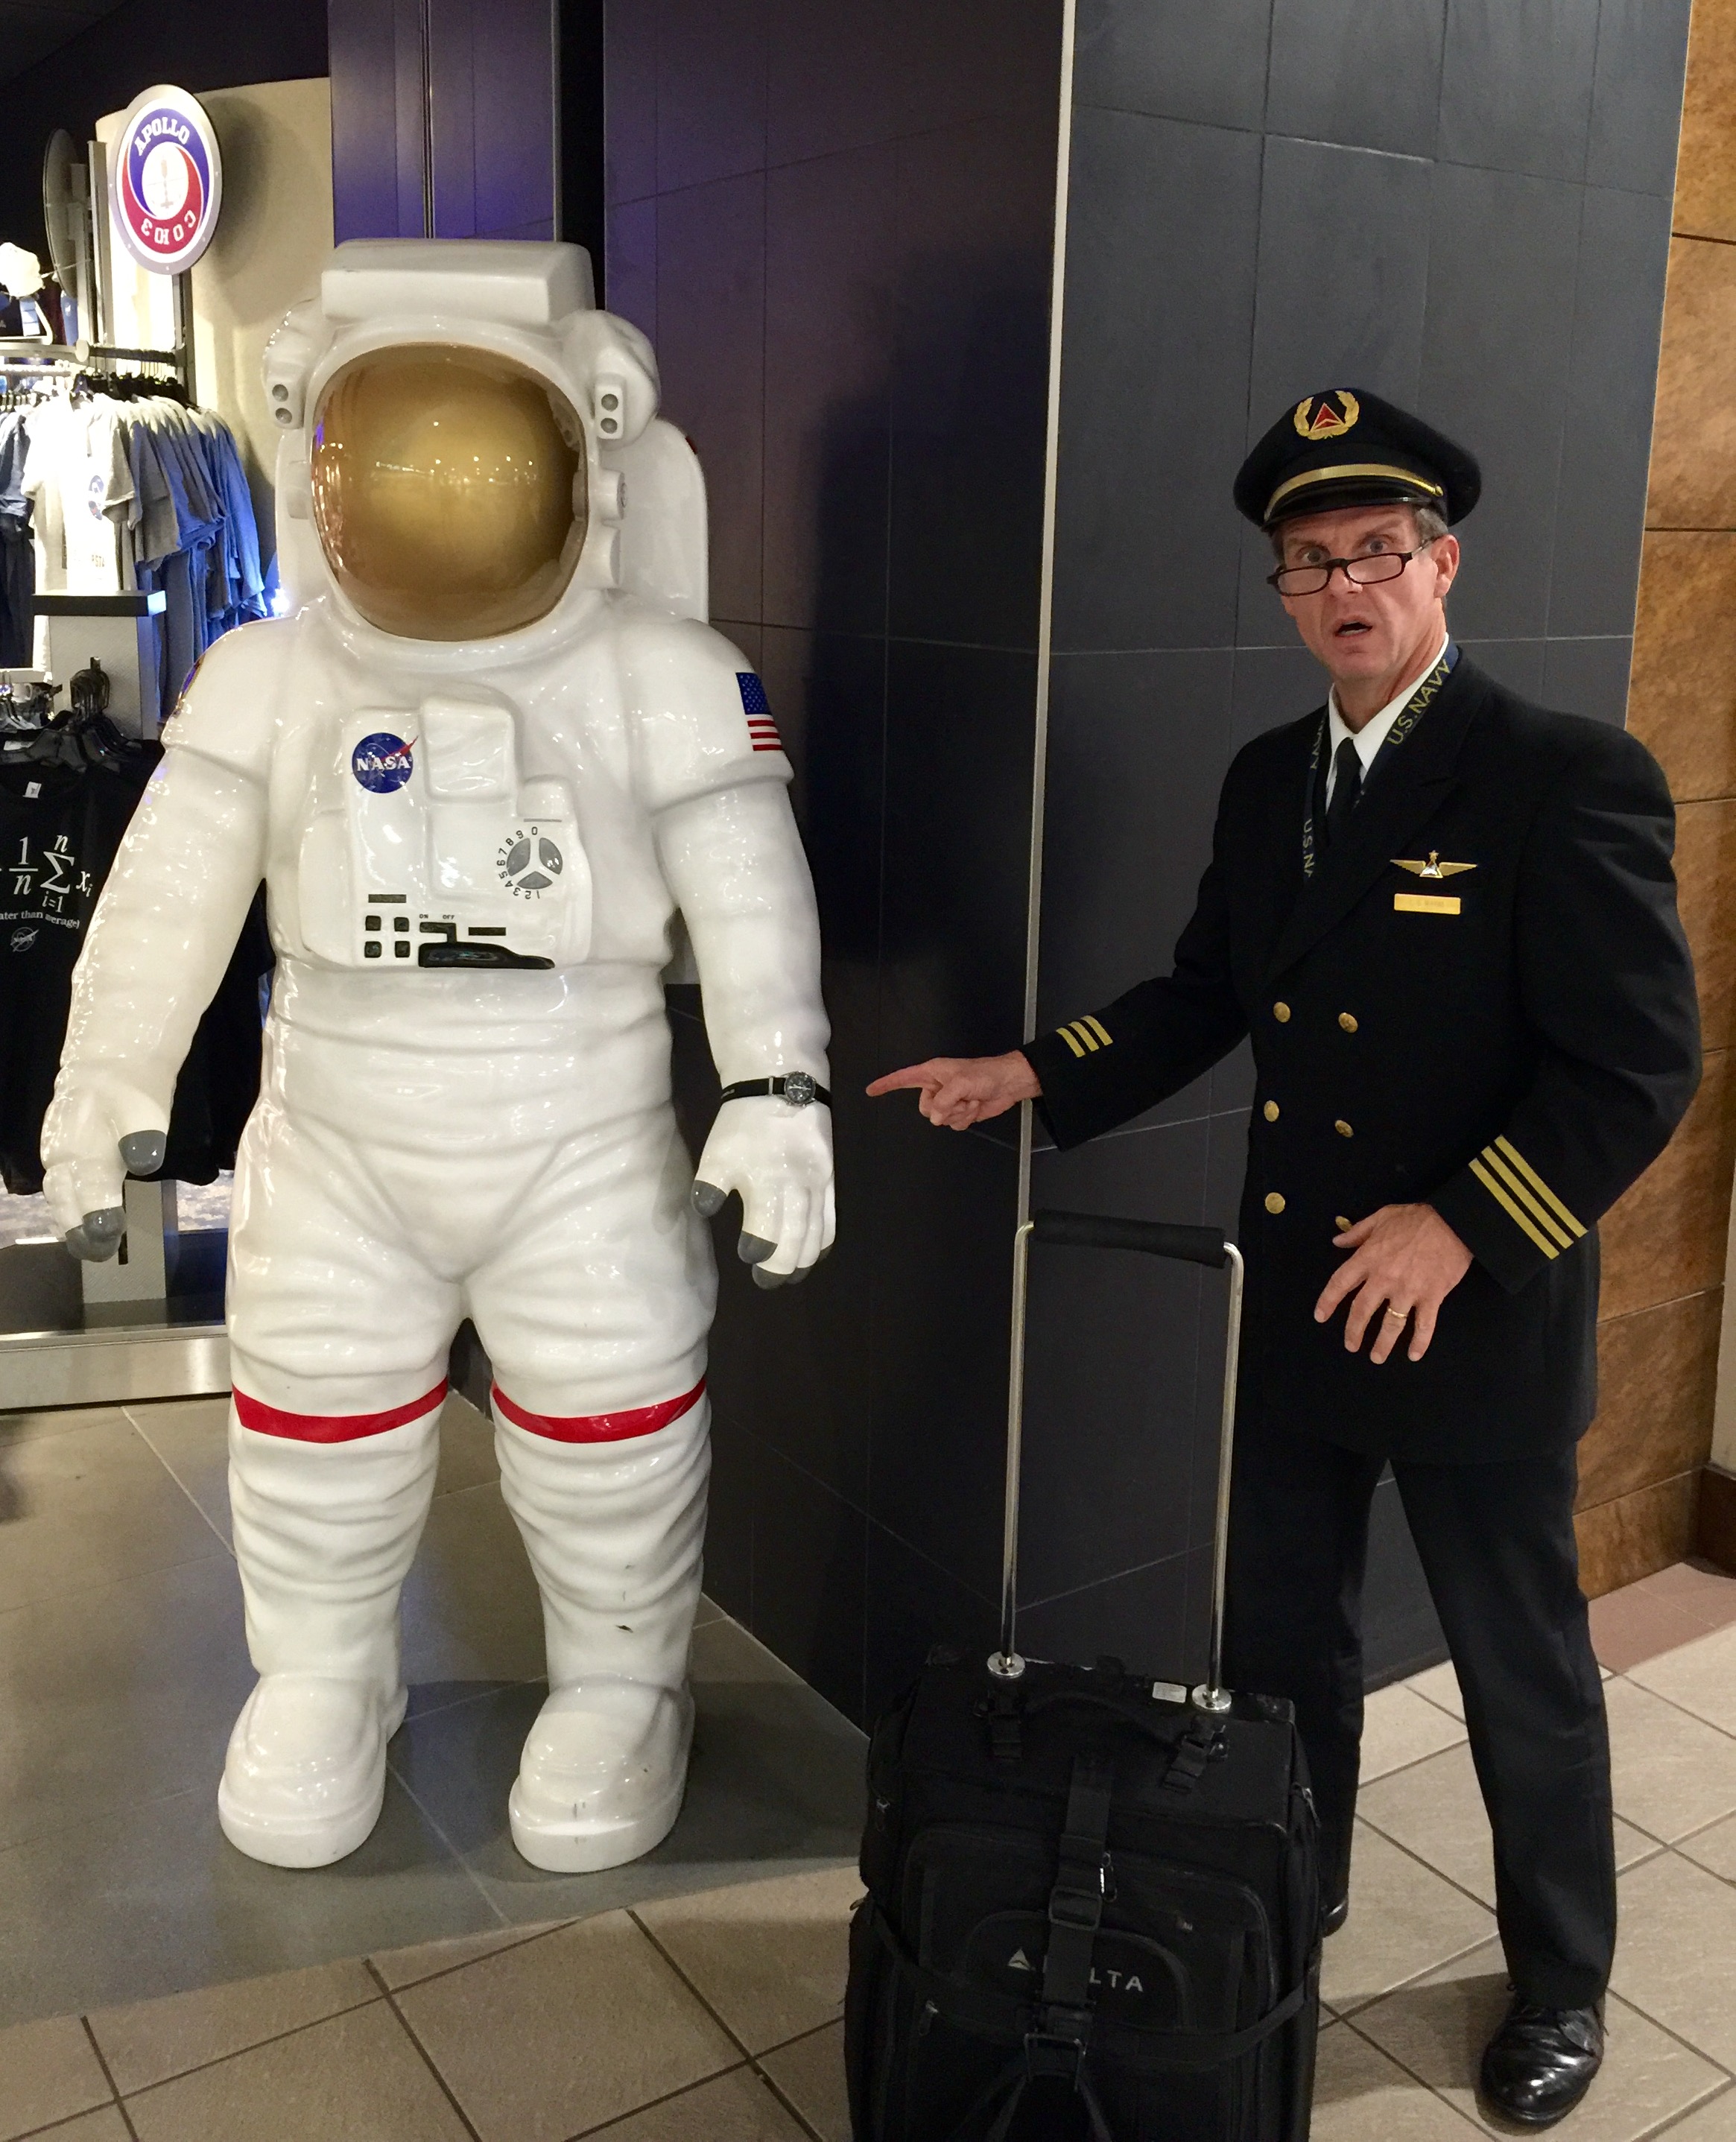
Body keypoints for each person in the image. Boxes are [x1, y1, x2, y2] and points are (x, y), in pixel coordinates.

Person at [868, 387, 1700, 2127]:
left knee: (1520, 1673)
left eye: (1374, 552)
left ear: (1441, 564)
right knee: (1279, 1648)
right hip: (1304, 1301)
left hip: (1470, 1312)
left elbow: (1636, 1065)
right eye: (1307, 563)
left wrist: (1462, 1222)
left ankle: (1560, 1978)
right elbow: (1205, 996)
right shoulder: (1270, 782)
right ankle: (1279, 1903)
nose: (1342, 589)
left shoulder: (1559, 775)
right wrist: (1035, 1072)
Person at [42, 239, 834, 1876]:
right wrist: (105, 1080)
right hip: (340, 1119)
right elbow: (167, 896)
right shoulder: (270, 677)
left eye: (483, 454)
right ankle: (324, 1678)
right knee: (313, 1416)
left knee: (608, 1418)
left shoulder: (662, 677)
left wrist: (777, 1082)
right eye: (389, 453)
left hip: (583, 1117)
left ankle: (621, 1687)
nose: (437, 491)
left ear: (588, 452)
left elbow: (749, 888)